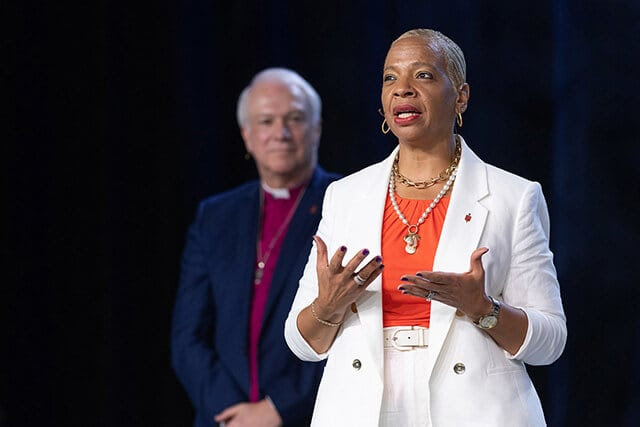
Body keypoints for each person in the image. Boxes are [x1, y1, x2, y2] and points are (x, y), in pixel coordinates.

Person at [285, 29, 567, 426]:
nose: (402, 89)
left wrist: (483, 309)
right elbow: (301, 342)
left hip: (474, 410)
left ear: (461, 96)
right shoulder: (345, 195)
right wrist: (328, 306)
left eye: (423, 75)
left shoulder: (513, 196)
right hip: (362, 408)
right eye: (390, 78)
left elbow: (550, 342)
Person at [172, 68, 340, 427]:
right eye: (265, 122)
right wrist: (233, 413)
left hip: (310, 415)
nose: (280, 134)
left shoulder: (346, 202)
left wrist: (278, 408)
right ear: (247, 136)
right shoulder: (215, 215)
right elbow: (187, 337)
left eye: (294, 119)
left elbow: (350, 327)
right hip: (224, 418)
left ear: (317, 128)